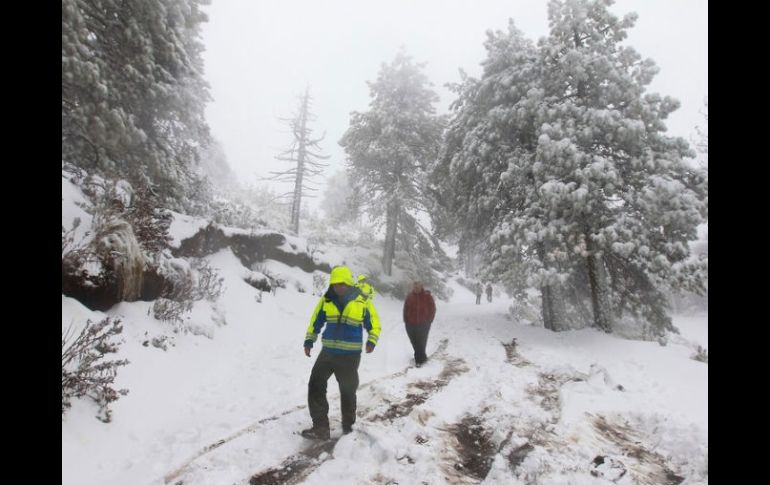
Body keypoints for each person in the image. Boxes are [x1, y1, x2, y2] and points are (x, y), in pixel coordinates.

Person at [301, 266, 381, 440]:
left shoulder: (361, 300)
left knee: (347, 390)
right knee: (315, 385)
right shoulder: (327, 300)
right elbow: (316, 320)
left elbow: (374, 322)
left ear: (349, 283)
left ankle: (349, 427)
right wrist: (309, 340)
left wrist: (372, 340)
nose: (339, 287)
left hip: (350, 355)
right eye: (336, 284)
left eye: (343, 284)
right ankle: (320, 428)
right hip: (328, 352)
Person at [402, 280, 436, 367]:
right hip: (410, 324)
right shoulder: (409, 296)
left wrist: (429, 320)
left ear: (421, 287)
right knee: (414, 341)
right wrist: (406, 321)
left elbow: (432, 309)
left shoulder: (427, 296)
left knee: (421, 342)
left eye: (418, 287)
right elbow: (405, 309)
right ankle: (423, 357)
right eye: (415, 287)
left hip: (423, 324)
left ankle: (419, 360)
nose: (416, 288)